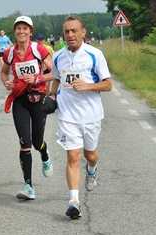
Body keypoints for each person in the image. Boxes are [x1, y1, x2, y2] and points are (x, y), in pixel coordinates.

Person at [49, 15, 112, 219]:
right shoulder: (58, 56)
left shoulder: (94, 54)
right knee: (72, 155)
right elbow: (57, 80)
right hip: (67, 114)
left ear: (83, 32)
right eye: (67, 31)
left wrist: (88, 86)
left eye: (74, 31)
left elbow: (108, 84)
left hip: (91, 114)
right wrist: (51, 96)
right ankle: (74, 202)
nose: (70, 35)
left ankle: (92, 169)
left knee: (90, 155)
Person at [0, 16, 54, 200]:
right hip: (20, 100)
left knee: (37, 142)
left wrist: (38, 78)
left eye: (25, 28)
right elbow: (3, 72)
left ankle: (45, 154)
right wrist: (6, 82)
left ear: (30, 31)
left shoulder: (38, 49)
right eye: (18, 28)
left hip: (38, 98)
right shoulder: (9, 53)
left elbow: (55, 72)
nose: (21, 32)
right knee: (25, 144)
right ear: (14, 31)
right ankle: (28, 186)